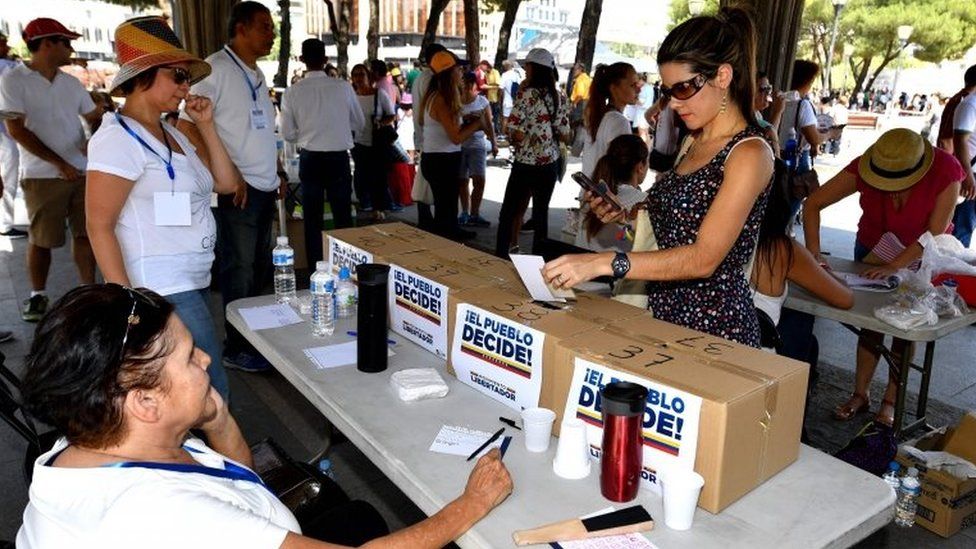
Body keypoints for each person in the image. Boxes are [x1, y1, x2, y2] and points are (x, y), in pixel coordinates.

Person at [16, 284, 513, 548]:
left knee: (358, 514)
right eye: (190, 358)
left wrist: (218, 418)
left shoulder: (102, 438)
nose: (207, 360)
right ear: (145, 401)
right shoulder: (160, 516)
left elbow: (242, 487)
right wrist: (468, 504)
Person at [543, 7, 775, 348]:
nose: (672, 104)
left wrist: (602, 262)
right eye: (667, 92)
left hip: (715, 333)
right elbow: (678, 225)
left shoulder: (750, 153)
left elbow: (703, 258)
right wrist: (624, 217)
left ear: (722, 77)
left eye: (682, 89)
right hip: (664, 319)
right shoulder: (693, 141)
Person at [85, 17, 237, 401]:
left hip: (192, 279)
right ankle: (225, 457)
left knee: (188, 394)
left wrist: (206, 125)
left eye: (188, 77)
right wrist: (126, 304)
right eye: (179, 76)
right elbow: (98, 224)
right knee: (211, 391)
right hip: (160, 286)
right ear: (145, 75)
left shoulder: (172, 131)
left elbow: (226, 184)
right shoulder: (117, 138)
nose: (187, 87)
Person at [802, 128, 964, 425]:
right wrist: (813, 253)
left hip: (921, 254)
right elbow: (812, 204)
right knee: (870, 324)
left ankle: (891, 400)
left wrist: (896, 266)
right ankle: (860, 394)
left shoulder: (946, 170)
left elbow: (935, 233)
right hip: (873, 247)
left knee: (904, 326)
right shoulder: (869, 164)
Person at [177, 1, 283, 373]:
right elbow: (187, 124)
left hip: (264, 185)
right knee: (238, 270)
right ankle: (236, 347)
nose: (271, 33)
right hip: (237, 189)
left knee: (257, 268)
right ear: (240, 28)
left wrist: (279, 169)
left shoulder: (257, 74)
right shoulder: (215, 69)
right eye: (264, 26)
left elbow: (259, 129)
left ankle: (253, 339)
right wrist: (228, 173)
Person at [0, 18, 102, 322]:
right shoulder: (13, 80)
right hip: (41, 176)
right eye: (65, 43)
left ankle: (89, 291)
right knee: (42, 239)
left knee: (86, 235)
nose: (71, 49)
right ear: (46, 44)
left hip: (82, 173)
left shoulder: (71, 82)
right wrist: (60, 163)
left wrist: (95, 133)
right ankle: (38, 295)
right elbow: (16, 130)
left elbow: (93, 117)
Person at [279, 39, 364, 267]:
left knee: (313, 220)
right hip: (338, 158)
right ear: (326, 60)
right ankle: (347, 268)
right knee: (343, 216)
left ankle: (316, 270)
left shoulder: (292, 92)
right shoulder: (343, 87)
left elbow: (286, 133)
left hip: (311, 158)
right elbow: (359, 122)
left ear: (302, 59)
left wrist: (306, 135)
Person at [495, 48, 570, 257]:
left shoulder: (526, 94)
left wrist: (513, 134)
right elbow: (565, 133)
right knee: (540, 214)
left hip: (525, 163)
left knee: (508, 212)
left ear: (534, 68)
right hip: (549, 164)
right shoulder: (560, 96)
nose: (525, 69)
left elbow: (515, 132)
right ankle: (540, 261)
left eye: (527, 65)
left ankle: (501, 255)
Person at [419, 50, 484, 241]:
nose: (462, 73)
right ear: (450, 72)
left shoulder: (438, 95)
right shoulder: (442, 99)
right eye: (459, 69)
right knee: (445, 211)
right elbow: (456, 137)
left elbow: (449, 128)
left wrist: (465, 120)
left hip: (439, 158)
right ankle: (446, 245)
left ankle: (452, 233)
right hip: (441, 160)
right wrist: (478, 124)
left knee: (446, 208)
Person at [579, 134, 647, 252]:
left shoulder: (592, 197)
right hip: (622, 268)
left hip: (584, 264)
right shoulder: (644, 202)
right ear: (640, 167)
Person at [776, 60, 823, 217]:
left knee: (778, 203)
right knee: (791, 205)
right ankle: (782, 235)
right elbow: (814, 138)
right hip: (795, 159)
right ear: (808, 81)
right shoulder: (803, 105)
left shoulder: (781, 99)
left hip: (778, 153)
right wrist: (829, 135)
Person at [350, 63, 396, 221]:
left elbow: (391, 115)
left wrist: (381, 123)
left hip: (377, 142)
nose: (358, 78)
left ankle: (379, 207)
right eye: (355, 75)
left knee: (378, 176)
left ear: (367, 76)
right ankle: (365, 202)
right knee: (362, 174)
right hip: (358, 142)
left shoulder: (379, 94)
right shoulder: (352, 96)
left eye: (361, 74)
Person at [581, 62, 638, 179]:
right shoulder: (618, 121)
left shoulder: (598, 115)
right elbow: (621, 169)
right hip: (605, 193)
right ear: (614, 88)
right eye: (633, 85)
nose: (638, 90)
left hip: (591, 191)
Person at [458, 71, 497, 228]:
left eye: (468, 84)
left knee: (479, 180)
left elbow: (489, 124)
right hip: (459, 145)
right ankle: (465, 212)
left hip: (477, 145)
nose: (466, 87)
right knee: (462, 180)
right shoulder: (457, 102)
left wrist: (493, 142)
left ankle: (475, 212)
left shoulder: (482, 101)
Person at [0, 31, 25, 239]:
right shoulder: (6, 67)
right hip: (4, 134)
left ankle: (5, 223)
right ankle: (5, 224)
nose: (6, 47)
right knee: (8, 178)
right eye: (2, 43)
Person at [949, 65, 976, 247]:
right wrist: (967, 175)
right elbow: (960, 140)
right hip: (972, 175)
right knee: (962, 228)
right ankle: (953, 272)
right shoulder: (969, 104)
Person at [754, 71, 784, 151]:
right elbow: (769, 140)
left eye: (769, 88)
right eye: (763, 88)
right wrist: (778, 111)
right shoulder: (746, 117)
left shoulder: (757, 114)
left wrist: (778, 111)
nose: (768, 92)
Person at [499, 60, 524, 134]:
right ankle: (511, 136)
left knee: (505, 119)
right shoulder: (516, 74)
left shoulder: (504, 75)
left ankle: (503, 135)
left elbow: (501, 88)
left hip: (507, 101)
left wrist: (499, 99)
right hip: (515, 100)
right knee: (514, 119)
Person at [478, 60, 502, 134]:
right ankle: (490, 131)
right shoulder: (485, 73)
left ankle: (495, 131)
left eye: (482, 66)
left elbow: (498, 85)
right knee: (489, 117)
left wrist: (486, 87)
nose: (481, 68)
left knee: (494, 116)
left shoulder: (495, 72)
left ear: (486, 65)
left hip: (494, 98)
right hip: (487, 98)